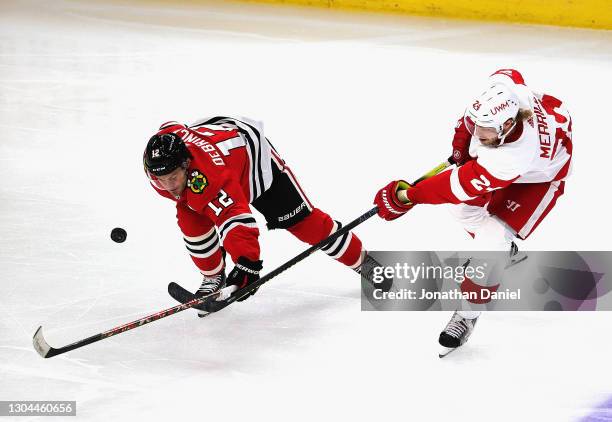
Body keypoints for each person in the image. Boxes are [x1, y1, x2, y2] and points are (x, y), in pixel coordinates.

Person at [373, 69, 572, 352]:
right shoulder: (506, 95)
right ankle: (504, 252)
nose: (478, 134)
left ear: (507, 125)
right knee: (462, 211)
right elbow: (506, 74)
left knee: (490, 242)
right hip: (523, 149)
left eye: (486, 130)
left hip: (540, 178)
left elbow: (455, 186)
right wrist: (459, 149)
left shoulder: (515, 156)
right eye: (477, 125)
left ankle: (466, 316)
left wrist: (407, 197)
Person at [143, 116, 378, 316]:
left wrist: (247, 264)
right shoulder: (161, 162)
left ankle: (365, 264)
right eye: (160, 179)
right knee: (191, 219)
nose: (167, 185)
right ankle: (213, 277)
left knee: (307, 225)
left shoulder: (211, 178)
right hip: (221, 149)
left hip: (253, 158)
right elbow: (171, 126)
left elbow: (235, 219)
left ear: (186, 164)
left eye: (172, 177)